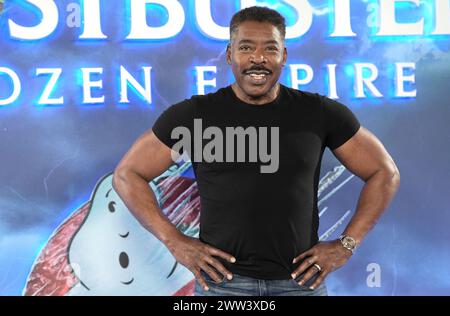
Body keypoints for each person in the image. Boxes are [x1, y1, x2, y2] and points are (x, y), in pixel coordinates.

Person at [112, 6, 400, 296]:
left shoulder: (319, 113)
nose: (258, 58)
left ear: (283, 56)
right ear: (229, 55)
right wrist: (174, 241)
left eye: (270, 49)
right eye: (246, 47)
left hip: (300, 285)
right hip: (222, 286)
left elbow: (383, 173)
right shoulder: (195, 115)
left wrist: (346, 245)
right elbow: (128, 175)